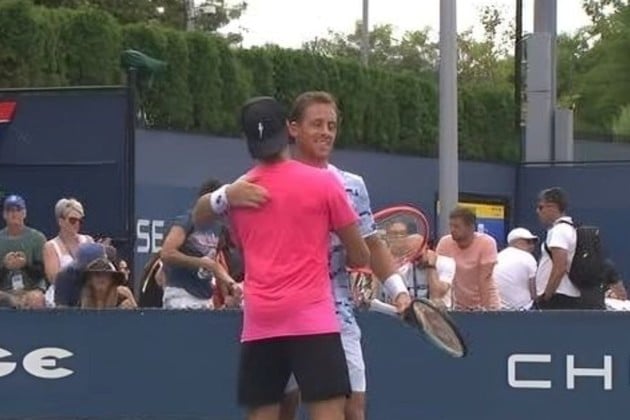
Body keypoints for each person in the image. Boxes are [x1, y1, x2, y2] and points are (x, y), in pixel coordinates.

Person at [202, 96, 370, 420]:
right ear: (287, 130)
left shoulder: (237, 195)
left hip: (261, 322)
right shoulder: (326, 183)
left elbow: (228, 234)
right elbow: (360, 254)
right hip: (313, 319)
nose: (326, 131)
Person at [282, 91, 411, 420]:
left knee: (353, 409)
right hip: (282, 313)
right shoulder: (272, 182)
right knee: (284, 408)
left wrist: (398, 291)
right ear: (293, 128)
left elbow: (373, 245)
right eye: (317, 124)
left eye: (331, 125)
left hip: (336, 313)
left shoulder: (352, 185)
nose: (326, 132)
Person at [160, 179, 239, 310]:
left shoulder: (218, 228)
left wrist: (231, 286)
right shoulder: (187, 221)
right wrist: (200, 263)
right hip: (182, 295)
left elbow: (214, 264)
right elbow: (167, 253)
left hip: (205, 297)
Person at [436, 207, 500, 311]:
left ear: (471, 227)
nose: (452, 230)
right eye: (451, 226)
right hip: (458, 306)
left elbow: (485, 278)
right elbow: (440, 275)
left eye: (456, 226)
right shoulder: (445, 243)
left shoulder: (487, 243)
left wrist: (486, 310)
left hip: (486, 302)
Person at [0, 195, 47, 308]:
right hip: (4, 291)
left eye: (18, 210)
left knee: (36, 299)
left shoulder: (37, 238)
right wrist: (5, 267)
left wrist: (25, 265)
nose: (14, 214)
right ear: (4, 214)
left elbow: (43, 273)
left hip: (31, 289)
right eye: (10, 210)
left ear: (24, 213)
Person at [493, 228, 538, 311]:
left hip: (498, 308)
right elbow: (533, 292)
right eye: (528, 242)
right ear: (515, 242)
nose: (532, 245)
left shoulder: (498, 256)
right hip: (523, 309)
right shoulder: (528, 257)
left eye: (533, 242)